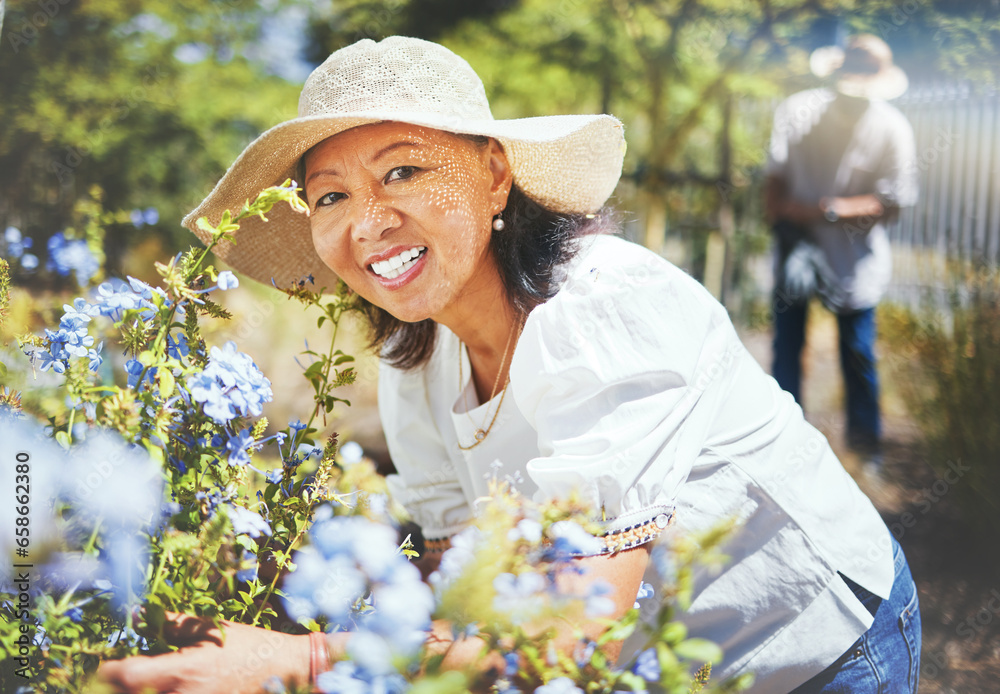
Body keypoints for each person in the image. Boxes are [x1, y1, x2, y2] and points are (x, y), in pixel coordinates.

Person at [99, 36, 921, 694]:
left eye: (404, 171)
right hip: (661, 668)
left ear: (495, 176)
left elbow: (567, 627)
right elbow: (467, 598)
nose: (369, 221)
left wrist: (303, 663)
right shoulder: (417, 360)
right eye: (330, 196)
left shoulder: (605, 308)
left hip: (811, 648)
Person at [764, 34, 919, 461]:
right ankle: (783, 445)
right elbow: (773, 188)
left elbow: (892, 202)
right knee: (787, 350)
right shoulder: (798, 112)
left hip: (856, 262)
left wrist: (824, 210)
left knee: (858, 353)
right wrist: (786, 219)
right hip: (796, 252)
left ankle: (865, 452)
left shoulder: (891, 128)